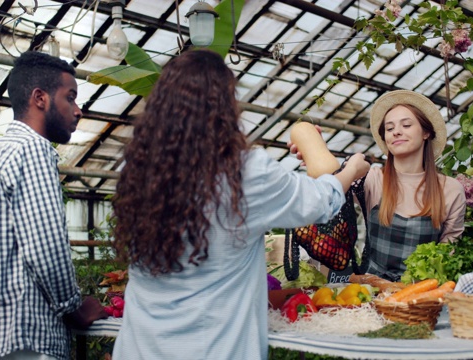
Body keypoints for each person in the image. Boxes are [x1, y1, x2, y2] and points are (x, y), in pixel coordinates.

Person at [110, 49, 370, 360]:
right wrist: (352, 169)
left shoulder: (136, 170)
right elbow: (319, 201)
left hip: (140, 347)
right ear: (224, 106)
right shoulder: (245, 172)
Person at [0, 51, 108, 360]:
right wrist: (74, 309)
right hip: (23, 344)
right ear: (40, 98)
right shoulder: (33, 152)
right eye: (70, 98)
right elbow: (46, 248)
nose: (78, 111)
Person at [291, 90, 466, 282]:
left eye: (406, 125)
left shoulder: (450, 189)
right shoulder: (371, 178)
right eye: (389, 129)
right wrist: (314, 150)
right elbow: (329, 186)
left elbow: (449, 251)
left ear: (426, 132)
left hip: (421, 297)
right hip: (372, 292)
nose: (396, 131)